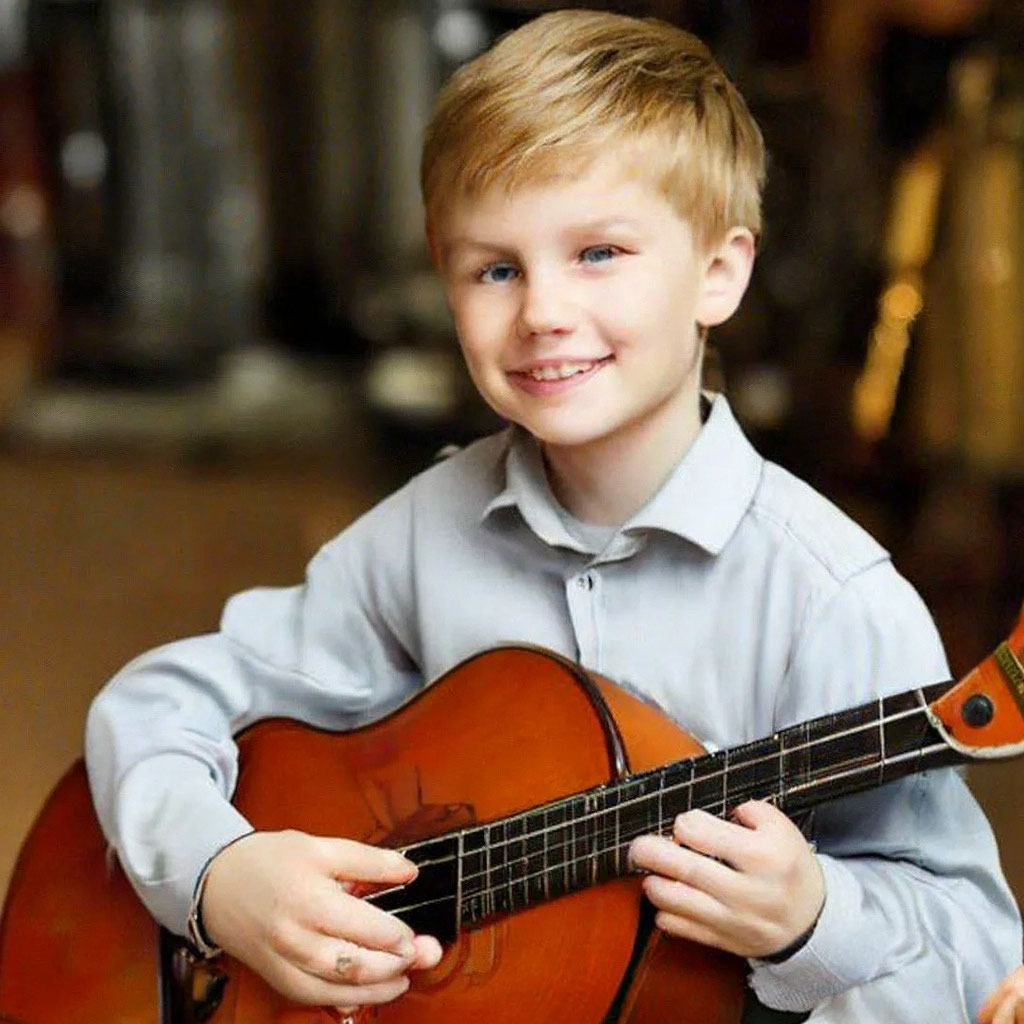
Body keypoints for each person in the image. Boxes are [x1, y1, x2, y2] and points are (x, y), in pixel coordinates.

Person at [84, 9, 1021, 1022]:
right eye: (495, 269)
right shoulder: (424, 533)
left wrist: (815, 919)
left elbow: (975, 956)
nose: (541, 313)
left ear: (719, 273)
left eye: (599, 252)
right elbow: (157, 702)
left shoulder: (833, 601)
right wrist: (218, 876)